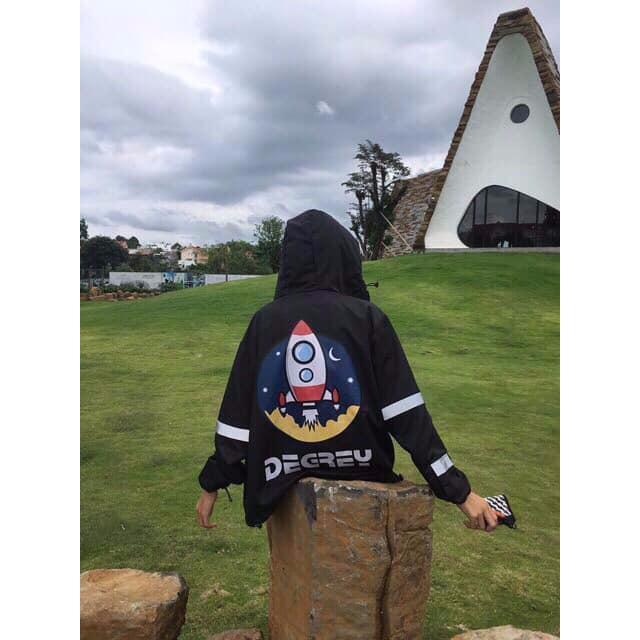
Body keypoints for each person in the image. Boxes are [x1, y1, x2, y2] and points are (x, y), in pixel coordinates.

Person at [196, 209, 497, 532]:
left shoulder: (264, 322)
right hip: (363, 491)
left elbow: (236, 420)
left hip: (283, 492)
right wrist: (458, 491)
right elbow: (407, 416)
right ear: (345, 257)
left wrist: (212, 484)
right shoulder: (367, 318)